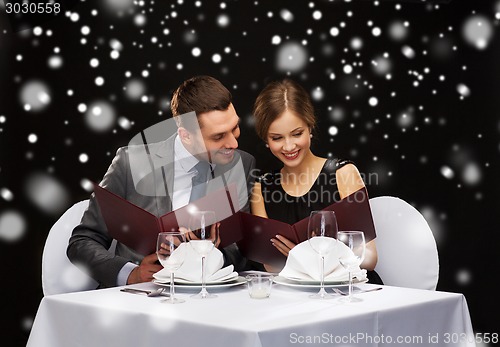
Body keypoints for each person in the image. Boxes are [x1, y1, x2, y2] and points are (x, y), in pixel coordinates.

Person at [67, 75, 256, 288]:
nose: (233, 142)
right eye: (218, 136)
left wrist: (210, 255)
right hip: (138, 300)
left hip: (208, 299)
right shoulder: (131, 164)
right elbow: (81, 242)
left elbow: (241, 248)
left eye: (235, 128)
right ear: (185, 135)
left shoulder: (242, 164)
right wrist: (131, 274)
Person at [251, 79, 383, 284]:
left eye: (297, 134)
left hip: (351, 291)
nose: (288, 146)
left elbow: (369, 258)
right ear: (266, 140)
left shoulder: (343, 173)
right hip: (297, 294)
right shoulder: (262, 187)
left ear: (310, 127)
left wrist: (303, 255)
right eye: (277, 138)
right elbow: (271, 265)